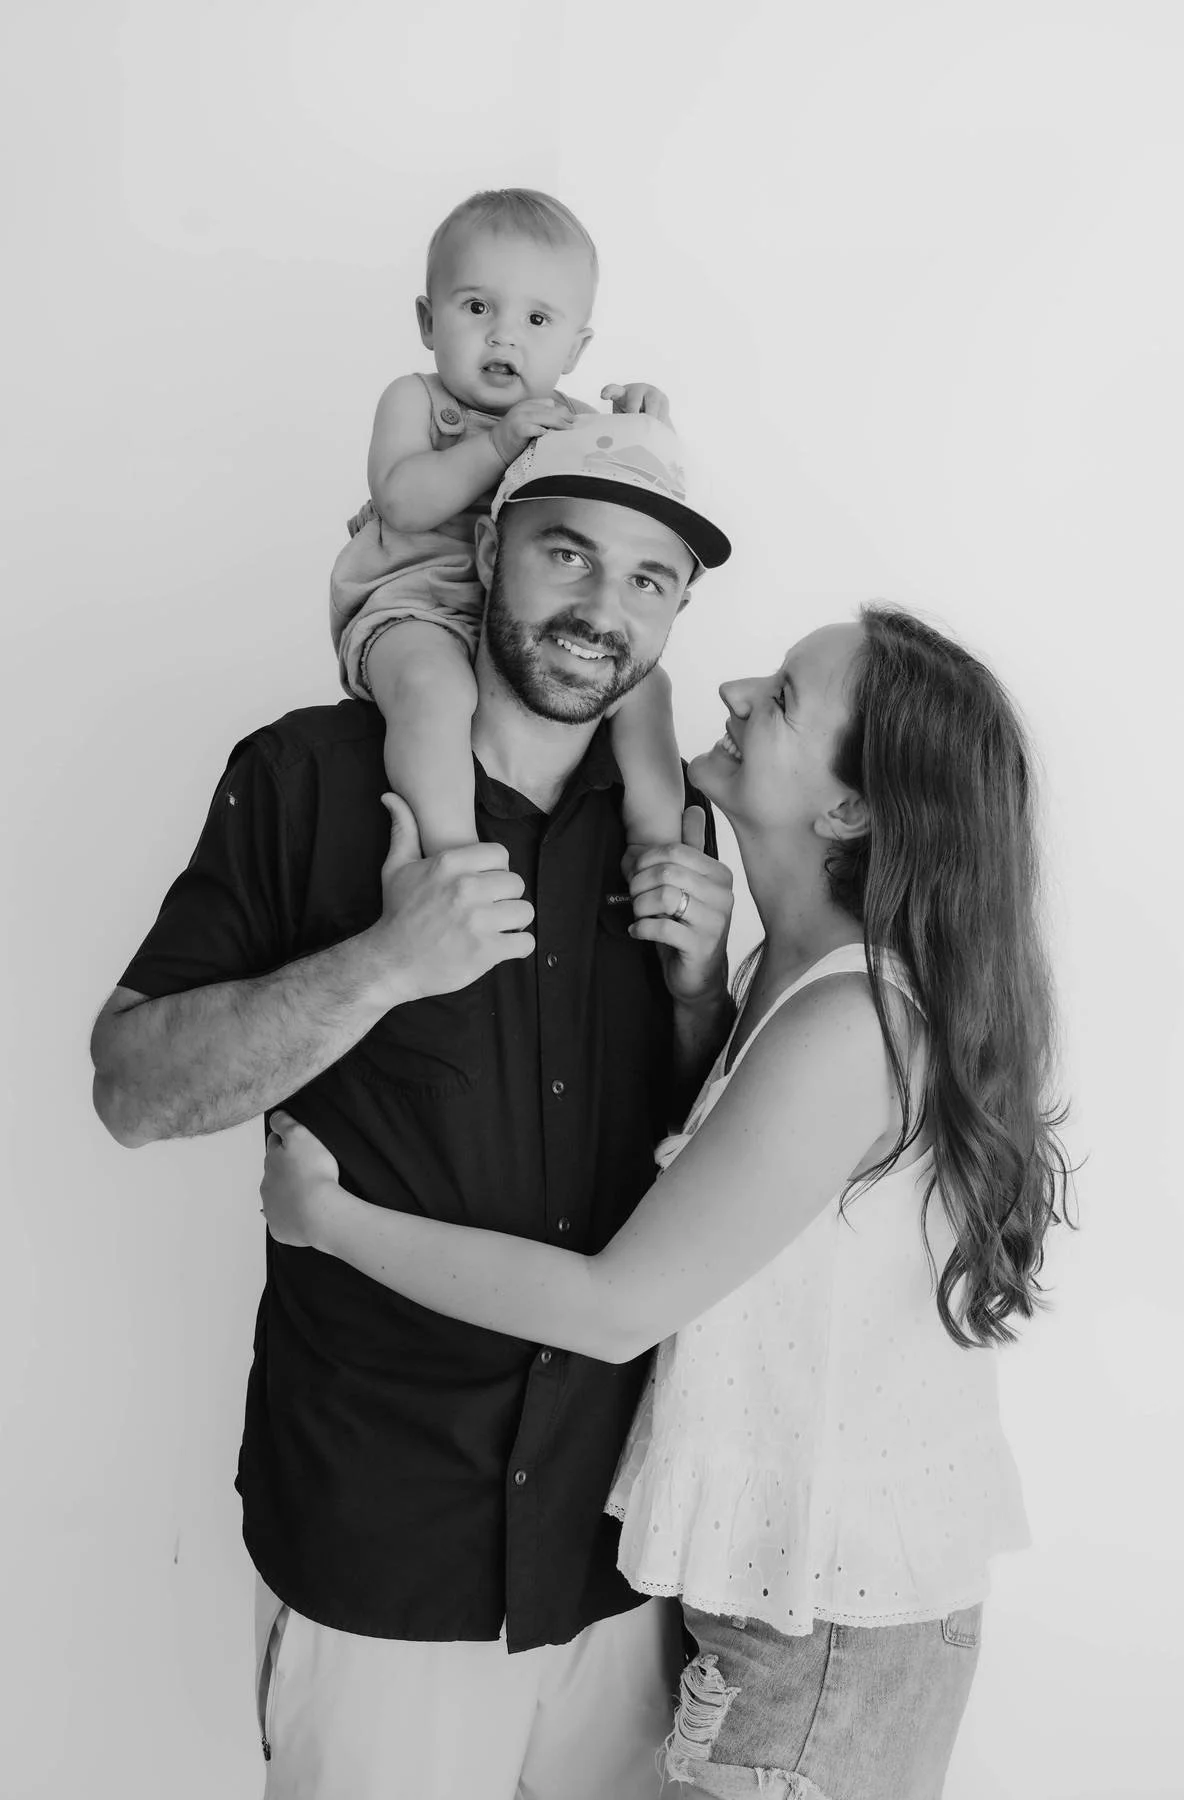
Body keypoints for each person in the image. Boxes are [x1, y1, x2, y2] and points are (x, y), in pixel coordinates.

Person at [261, 604, 1074, 1800]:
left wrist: (327, 1219)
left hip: (821, 1657)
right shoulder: (787, 982)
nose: (737, 690)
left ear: (849, 810)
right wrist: (698, 997)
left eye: (786, 697)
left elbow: (611, 1306)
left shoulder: (854, 1025)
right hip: (779, 1626)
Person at [90, 414, 736, 1800]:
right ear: (488, 552)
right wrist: (386, 963)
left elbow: (707, 1175)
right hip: (382, 1544)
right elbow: (133, 1091)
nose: (600, 609)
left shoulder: (680, 829)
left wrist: (697, 995)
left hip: (625, 1555)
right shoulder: (309, 777)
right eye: (568, 553)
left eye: (649, 580)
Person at [330, 185, 704, 857]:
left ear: (575, 349)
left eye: (538, 321)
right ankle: (453, 859)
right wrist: (498, 445)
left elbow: (635, 504)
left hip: (524, 629)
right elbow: (402, 503)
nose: (502, 334)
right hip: (416, 605)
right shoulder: (418, 401)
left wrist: (647, 425)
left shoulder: (570, 423)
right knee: (433, 690)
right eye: (477, 307)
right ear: (426, 321)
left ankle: (658, 852)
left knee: (648, 688)